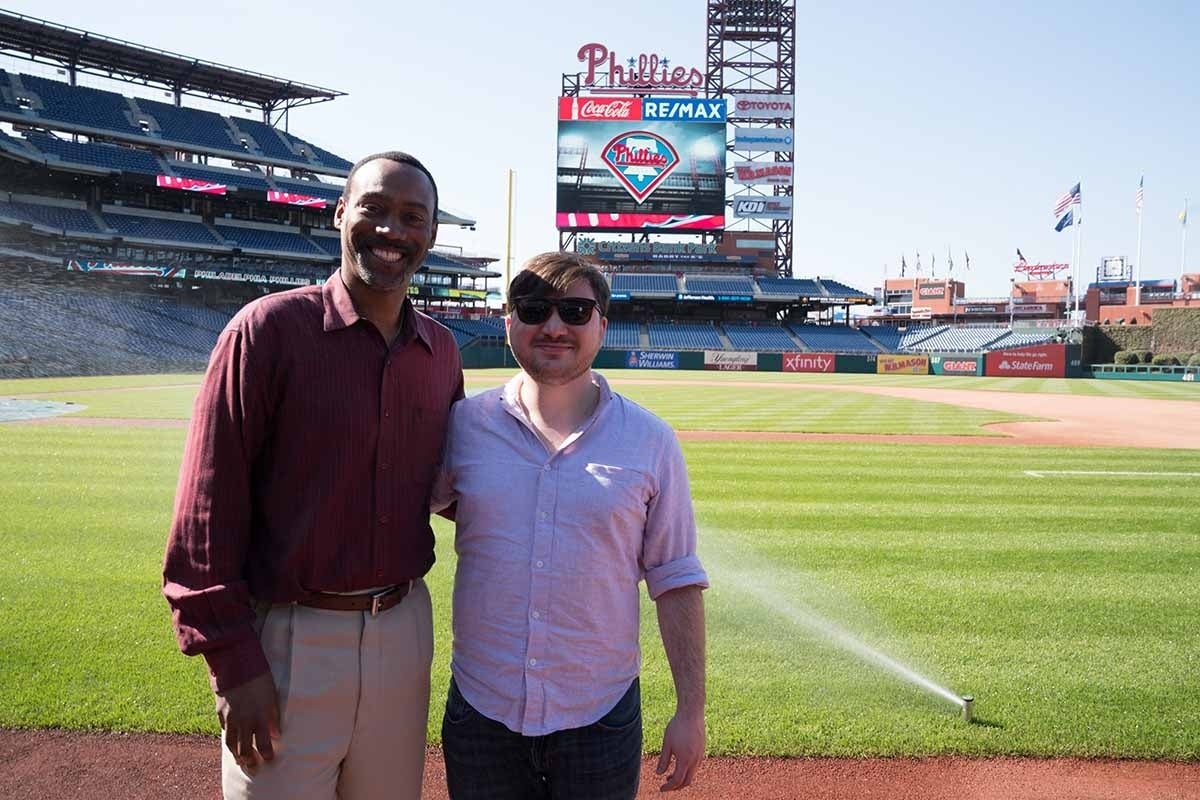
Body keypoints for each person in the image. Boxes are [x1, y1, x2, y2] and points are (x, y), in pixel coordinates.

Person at [163, 151, 463, 800]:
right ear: (339, 216)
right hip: (290, 638)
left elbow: (459, 486)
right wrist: (234, 664)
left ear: (432, 235)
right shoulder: (267, 331)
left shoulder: (440, 352)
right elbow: (207, 513)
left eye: (413, 217)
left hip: (403, 630)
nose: (392, 230)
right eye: (374, 209)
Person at [433, 252, 708, 798]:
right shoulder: (462, 427)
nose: (555, 326)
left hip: (599, 715)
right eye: (535, 309)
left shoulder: (652, 441)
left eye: (576, 311)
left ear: (602, 325)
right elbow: (414, 508)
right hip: (483, 711)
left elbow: (675, 579)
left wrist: (690, 710)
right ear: (508, 321)